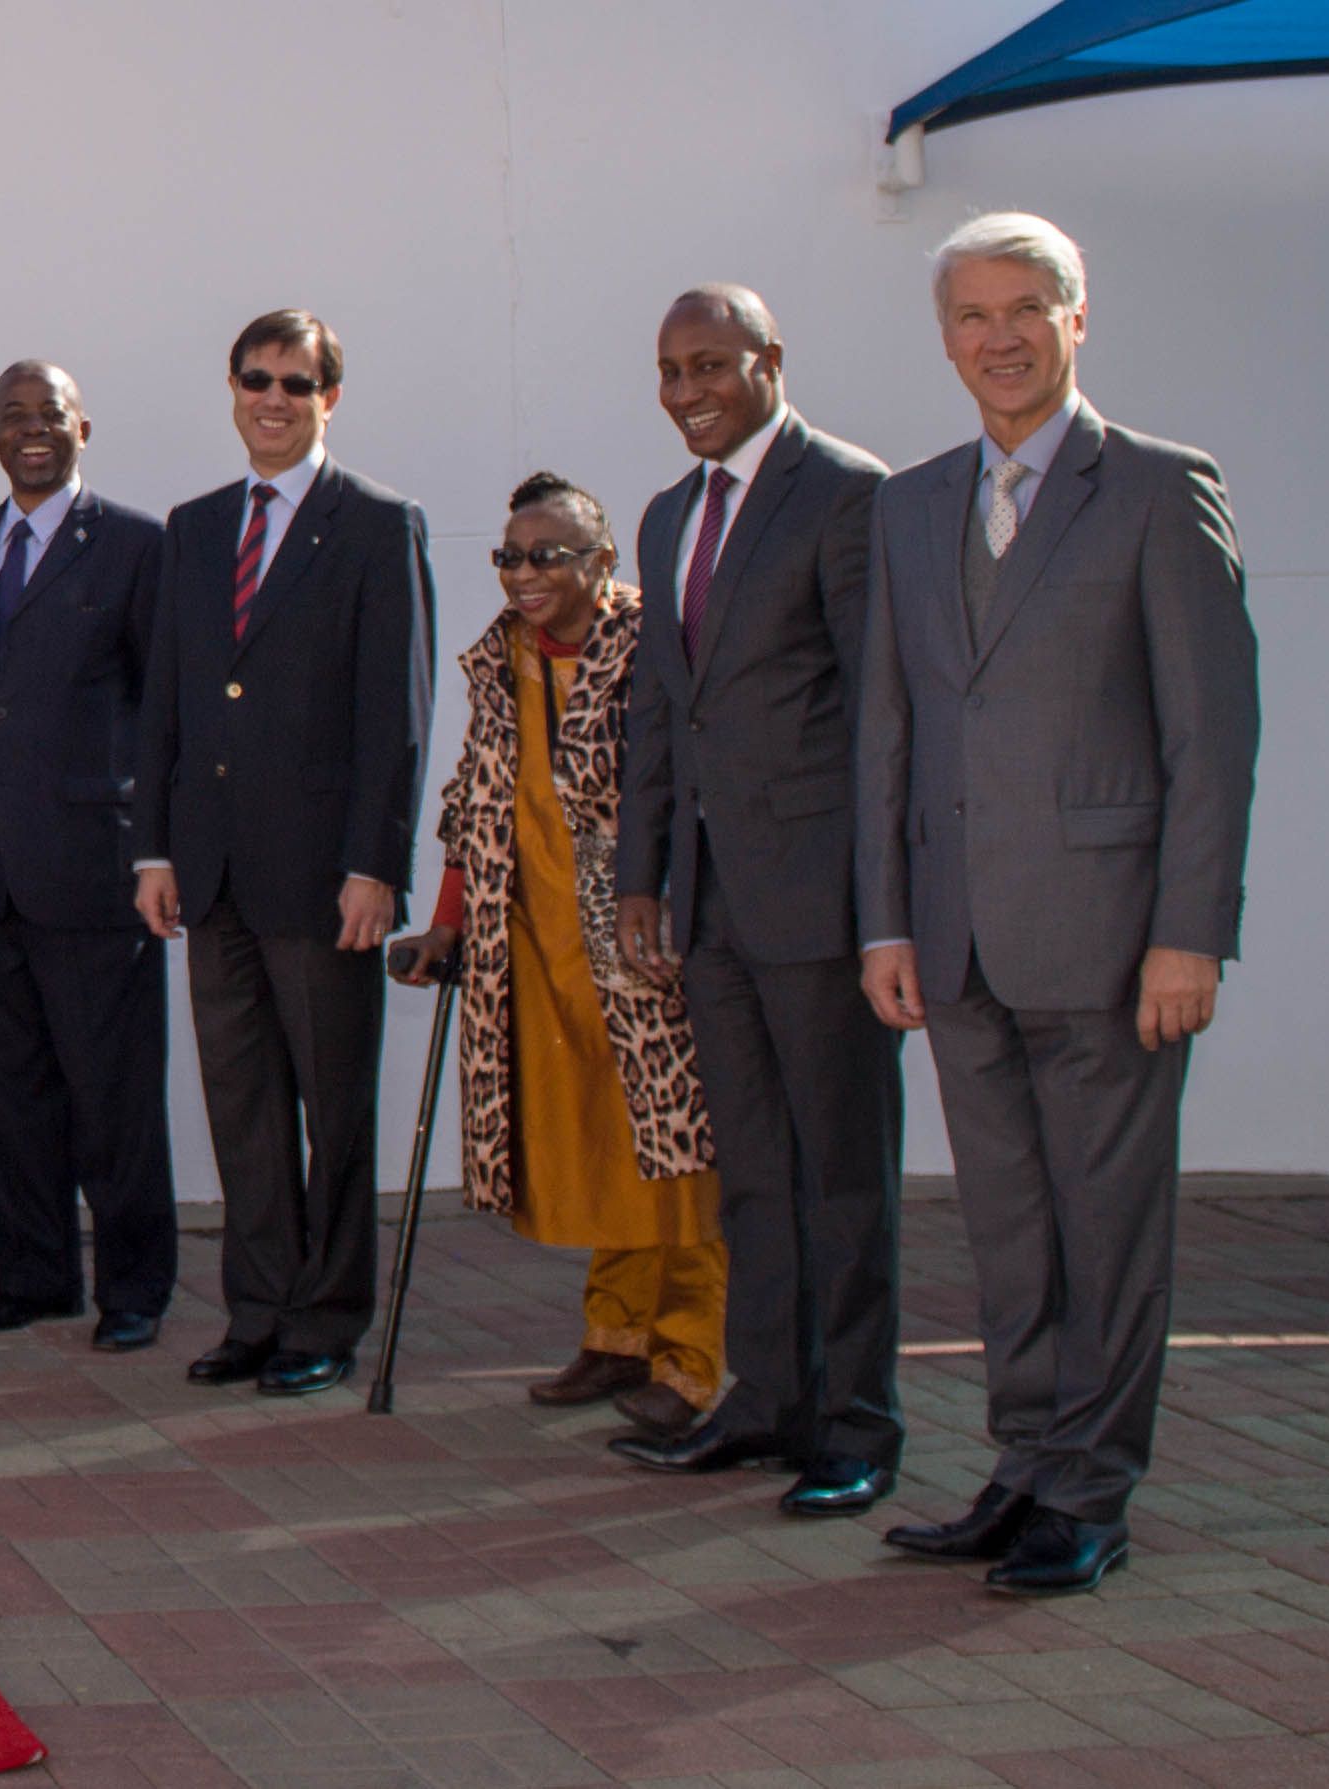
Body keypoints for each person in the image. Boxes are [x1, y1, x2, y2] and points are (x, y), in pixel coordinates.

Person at [859, 213, 1257, 1597]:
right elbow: (889, 729)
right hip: (957, 940)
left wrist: (1190, 931)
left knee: (1108, 1227)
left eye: (1028, 307)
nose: (1000, 337)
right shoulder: (909, 503)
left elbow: (1212, 734)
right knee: (1012, 1229)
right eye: (972, 315)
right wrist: (887, 922)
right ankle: (1023, 1466)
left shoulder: (1154, 487)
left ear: (1078, 318)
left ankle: (1093, 1490)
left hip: (1111, 943)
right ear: (945, 337)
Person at [603, 287, 909, 1518]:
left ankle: (859, 1422)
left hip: (821, 897)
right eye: (669, 369)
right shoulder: (670, 515)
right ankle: (772, 1398)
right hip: (711, 906)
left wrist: (881, 900)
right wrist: (642, 875)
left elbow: (880, 711)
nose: (687, 390)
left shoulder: (848, 490)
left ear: (769, 361)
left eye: (711, 364)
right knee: (754, 1177)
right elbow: (665, 710)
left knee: (843, 1173)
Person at [132, 309, 436, 1398]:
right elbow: (168, 697)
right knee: (244, 1107)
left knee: (334, 1106)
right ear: (232, 387)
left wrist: (377, 864)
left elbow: (394, 716)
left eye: (296, 384)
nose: (273, 399)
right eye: (256, 379)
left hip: (322, 877)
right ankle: (258, 1310)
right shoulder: (197, 525)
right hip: (209, 872)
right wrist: (153, 849)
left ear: (329, 399)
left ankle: (326, 1317)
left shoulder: (377, 525)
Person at [391, 475, 727, 1438]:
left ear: (603, 561)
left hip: (641, 943)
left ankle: (692, 1357)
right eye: (509, 557)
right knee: (597, 1141)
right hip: (533, 942)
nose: (524, 574)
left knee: (675, 1149)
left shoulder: (656, 646)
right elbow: (476, 797)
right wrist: (450, 921)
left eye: (547, 555)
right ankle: (616, 1336)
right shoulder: (499, 658)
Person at [0, 362, 176, 1350]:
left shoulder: (136, 547)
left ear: (83, 427)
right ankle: (35, 1277)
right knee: (20, 1092)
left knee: (113, 1094)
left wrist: (162, 850)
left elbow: (165, 712)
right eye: (14, 418)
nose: (33, 432)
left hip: (93, 866)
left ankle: (134, 1291)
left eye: (51, 416)